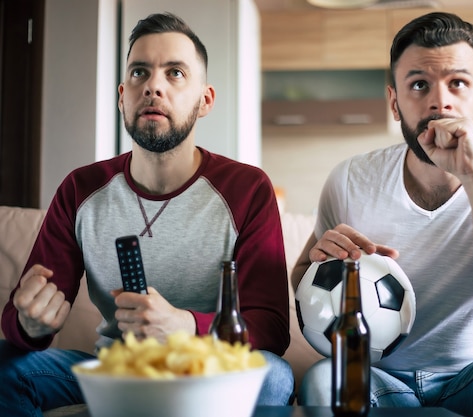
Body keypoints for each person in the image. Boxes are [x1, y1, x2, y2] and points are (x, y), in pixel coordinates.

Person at [0, 12, 294, 415]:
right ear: (123, 96)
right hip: (114, 368)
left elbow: (272, 329)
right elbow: (20, 323)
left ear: (204, 99)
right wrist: (29, 324)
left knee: (273, 375)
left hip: (210, 366)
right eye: (140, 73)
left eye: (174, 73)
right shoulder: (80, 189)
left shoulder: (248, 189)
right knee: (5, 364)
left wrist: (186, 327)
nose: (153, 86)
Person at [293, 12, 473, 417]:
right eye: (419, 84)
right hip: (380, 382)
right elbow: (305, 279)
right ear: (394, 101)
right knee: (322, 378)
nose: (440, 101)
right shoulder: (350, 178)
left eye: (458, 83)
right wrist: (323, 260)